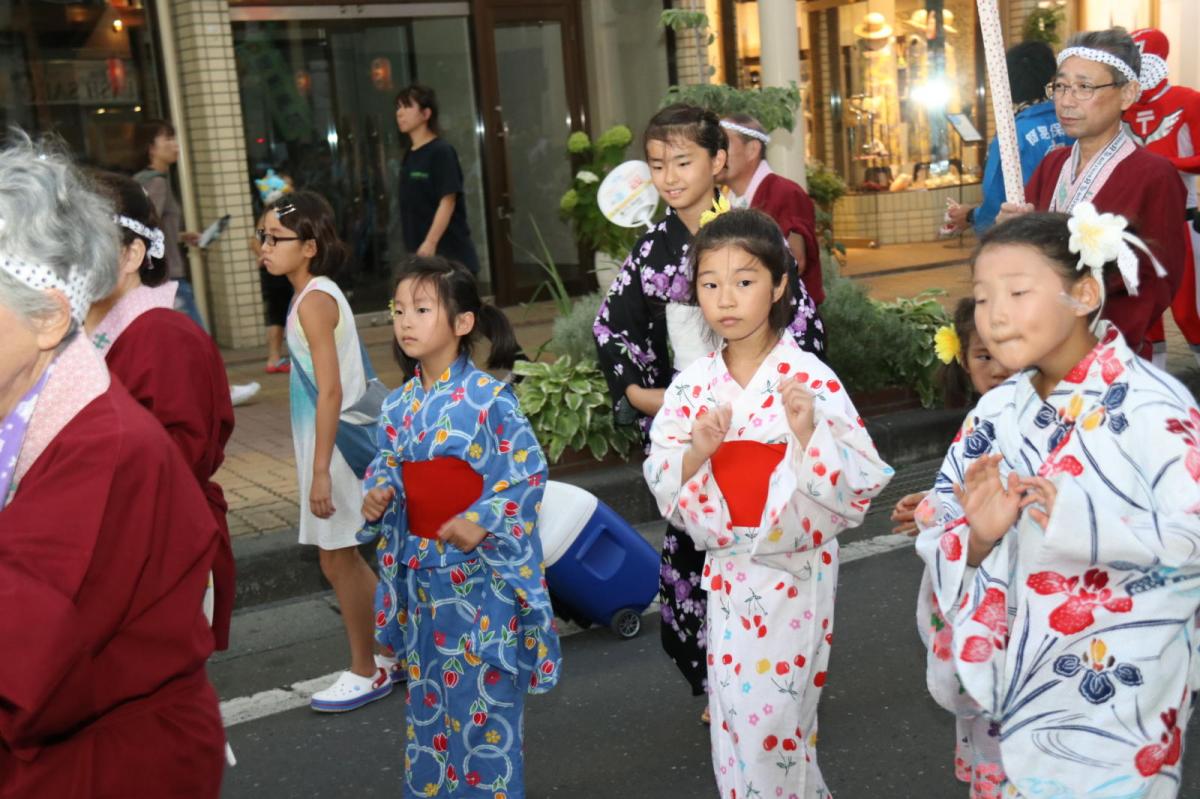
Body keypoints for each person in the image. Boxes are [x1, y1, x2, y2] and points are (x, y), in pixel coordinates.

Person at [915, 207, 1200, 796]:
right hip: (1018, 685)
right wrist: (978, 539)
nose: (994, 318)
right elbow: (942, 511)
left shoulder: (1152, 407)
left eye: (1017, 293)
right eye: (983, 298)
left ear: (1085, 294)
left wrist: (1078, 522)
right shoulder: (996, 409)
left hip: (1120, 694)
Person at [0, 135, 225, 795]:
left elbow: (26, 646)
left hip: (108, 767)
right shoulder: (30, 407)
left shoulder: (103, 445)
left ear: (50, 319)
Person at [643, 208, 893, 798]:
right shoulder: (692, 383)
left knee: (773, 726)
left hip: (791, 572)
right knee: (733, 719)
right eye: (710, 283)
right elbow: (662, 474)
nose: (725, 298)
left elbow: (859, 478)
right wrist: (695, 454)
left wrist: (808, 435)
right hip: (727, 570)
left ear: (780, 285)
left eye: (745, 280)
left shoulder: (809, 378)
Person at [593, 104, 824, 719]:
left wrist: (781, 400)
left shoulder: (758, 237)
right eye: (658, 164)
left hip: (764, 422)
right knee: (690, 567)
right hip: (695, 426)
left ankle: (772, 673)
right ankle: (721, 675)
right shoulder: (652, 251)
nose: (669, 176)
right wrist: (648, 398)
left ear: (719, 162)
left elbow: (803, 327)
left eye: (683, 161)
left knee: (769, 552)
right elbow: (613, 328)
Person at [360, 256, 560, 798]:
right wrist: (380, 491)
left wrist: (481, 519)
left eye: (422, 309)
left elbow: (525, 474)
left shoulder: (491, 400)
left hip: (478, 580)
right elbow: (386, 464)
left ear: (463, 323)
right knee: (428, 707)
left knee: (482, 707)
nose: (406, 321)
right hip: (424, 580)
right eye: (398, 310)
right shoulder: (399, 404)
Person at [85, 171, 237, 651]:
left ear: (132, 253)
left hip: (156, 554)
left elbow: (175, 459)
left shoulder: (161, 335)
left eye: (87, 239)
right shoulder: (95, 328)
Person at [260, 190, 395, 711]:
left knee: (338, 559)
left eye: (276, 238)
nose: (265, 246)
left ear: (309, 246)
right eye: (262, 235)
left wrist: (319, 472)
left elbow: (332, 391)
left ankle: (368, 670)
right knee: (343, 558)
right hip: (332, 443)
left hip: (336, 448)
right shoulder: (312, 294)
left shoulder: (315, 300)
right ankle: (386, 654)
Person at [998, 28, 1188, 360]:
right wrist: (1010, 233)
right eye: (1061, 86)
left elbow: (1157, 281)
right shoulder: (1052, 165)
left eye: (1084, 87)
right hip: (1042, 349)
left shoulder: (1154, 174)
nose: (1067, 100)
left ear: (1127, 94)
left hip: (1108, 353)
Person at [891, 297, 1014, 797]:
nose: (998, 366)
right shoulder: (981, 419)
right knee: (990, 716)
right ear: (964, 361)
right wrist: (932, 504)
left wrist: (949, 516)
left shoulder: (1040, 411)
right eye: (983, 356)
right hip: (981, 581)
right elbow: (956, 490)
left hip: (1017, 589)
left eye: (1007, 349)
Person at [134, 119, 261, 405]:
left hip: (157, 277)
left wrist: (180, 235)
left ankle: (182, 395)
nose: (175, 145)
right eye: (167, 139)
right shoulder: (156, 182)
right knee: (199, 339)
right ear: (150, 148)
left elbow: (150, 228)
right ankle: (222, 393)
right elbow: (143, 227)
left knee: (172, 343)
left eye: (174, 138)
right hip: (170, 278)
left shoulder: (143, 181)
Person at [1125, 28, 1200, 368]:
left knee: (1188, 310)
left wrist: (1164, 165)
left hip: (1182, 217)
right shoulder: (1122, 110)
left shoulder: (1188, 100)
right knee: (1146, 310)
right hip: (1136, 223)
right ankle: (1156, 386)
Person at [944, 41, 1071, 235]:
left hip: (1030, 234)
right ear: (1052, 78)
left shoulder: (1011, 134)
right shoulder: (1072, 122)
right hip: (1071, 227)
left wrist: (972, 216)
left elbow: (997, 198)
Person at [720, 114, 826, 304]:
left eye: (724, 145)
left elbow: (795, 262)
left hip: (785, 317)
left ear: (752, 149)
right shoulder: (723, 199)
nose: (717, 155)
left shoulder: (785, 193)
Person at [394, 84, 480, 274]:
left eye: (407, 106)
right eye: (398, 107)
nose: (400, 113)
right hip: (420, 257)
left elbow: (448, 201)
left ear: (426, 114)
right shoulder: (410, 154)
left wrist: (430, 242)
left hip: (447, 255)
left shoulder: (441, 152)